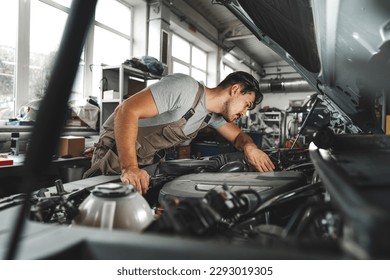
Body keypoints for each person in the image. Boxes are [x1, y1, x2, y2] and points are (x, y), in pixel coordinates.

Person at [84, 71, 275, 193]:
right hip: (116, 155)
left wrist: (250, 147)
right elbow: (125, 111)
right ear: (235, 89)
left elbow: (239, 137)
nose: (244, 113)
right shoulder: (185, 88)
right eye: (246, 105)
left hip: (143, 164)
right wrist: (130, 168)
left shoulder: (211, 116)